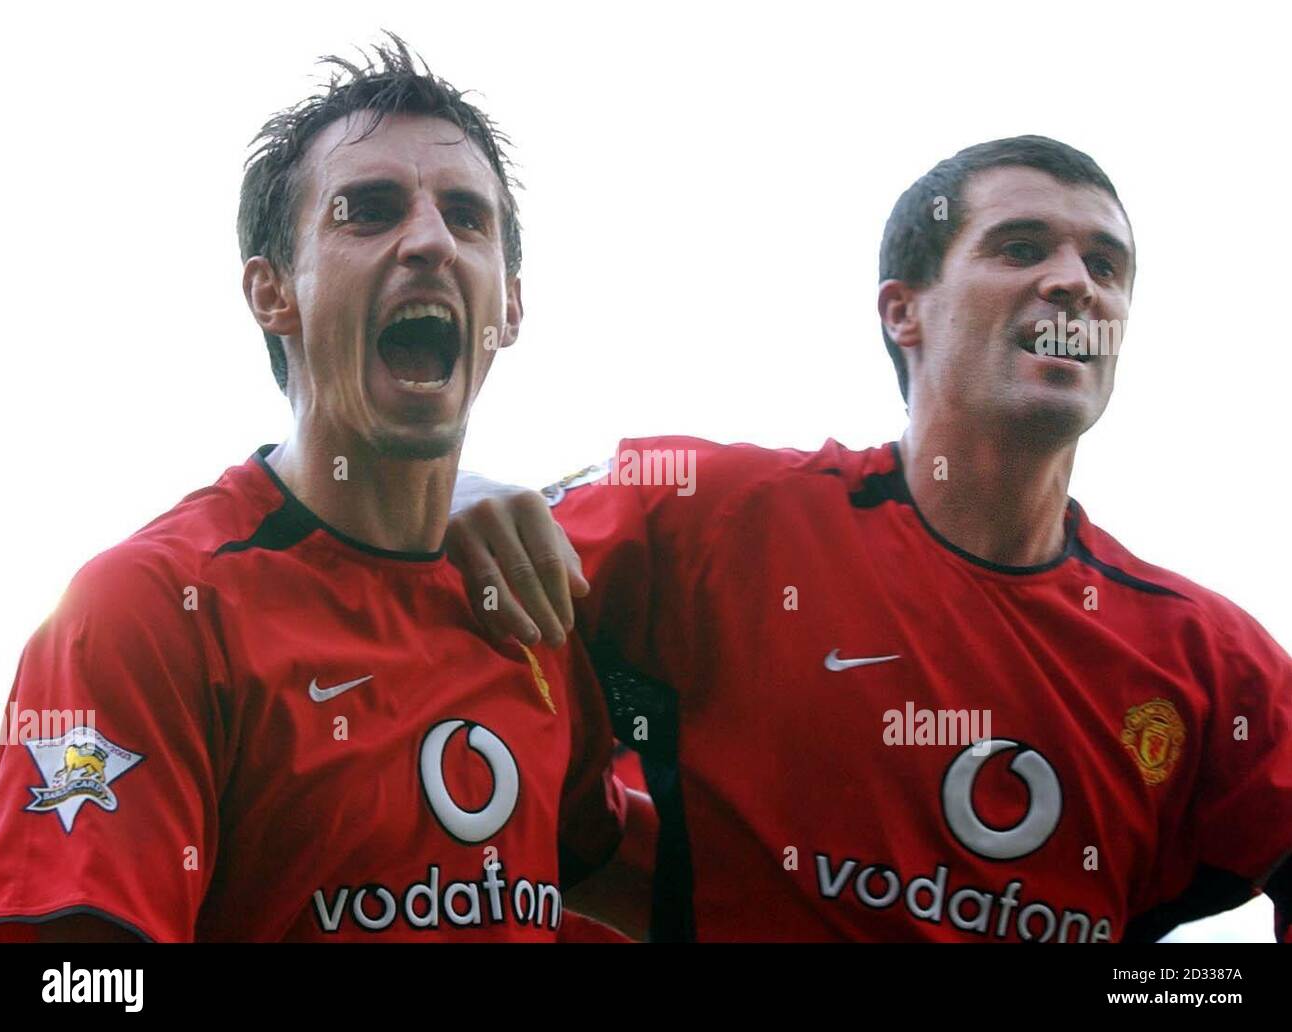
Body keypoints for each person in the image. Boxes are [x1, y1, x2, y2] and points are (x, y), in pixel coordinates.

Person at [446, 136, 1292, 942]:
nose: (1074, 283)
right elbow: (419, 591)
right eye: (1021, 247)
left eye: (1105, 265)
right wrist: (457, 492)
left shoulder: (1212, 665)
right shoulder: (706, 514)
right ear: (903, 312)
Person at [0, 35, 632, 942]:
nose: (428, 242)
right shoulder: (147, 610)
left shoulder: (527, 604)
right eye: (366, 211)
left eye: (466, 217)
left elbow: (641, 880)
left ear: (511, 306)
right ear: (272, 292)